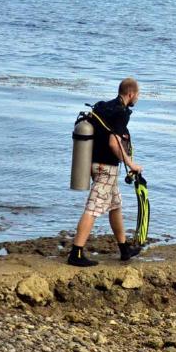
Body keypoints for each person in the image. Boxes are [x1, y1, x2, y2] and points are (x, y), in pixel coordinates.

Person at [67, 78, 144, 267]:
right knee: (93, 209)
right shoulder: (121, 113)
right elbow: (113, 142)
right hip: (106, 168)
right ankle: (76, 253)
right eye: (138, 95)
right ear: (131, 94)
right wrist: (130, 163)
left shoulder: (103, 106)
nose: (138, 98)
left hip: (92, 162)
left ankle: (124, 249)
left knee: (115, 205)